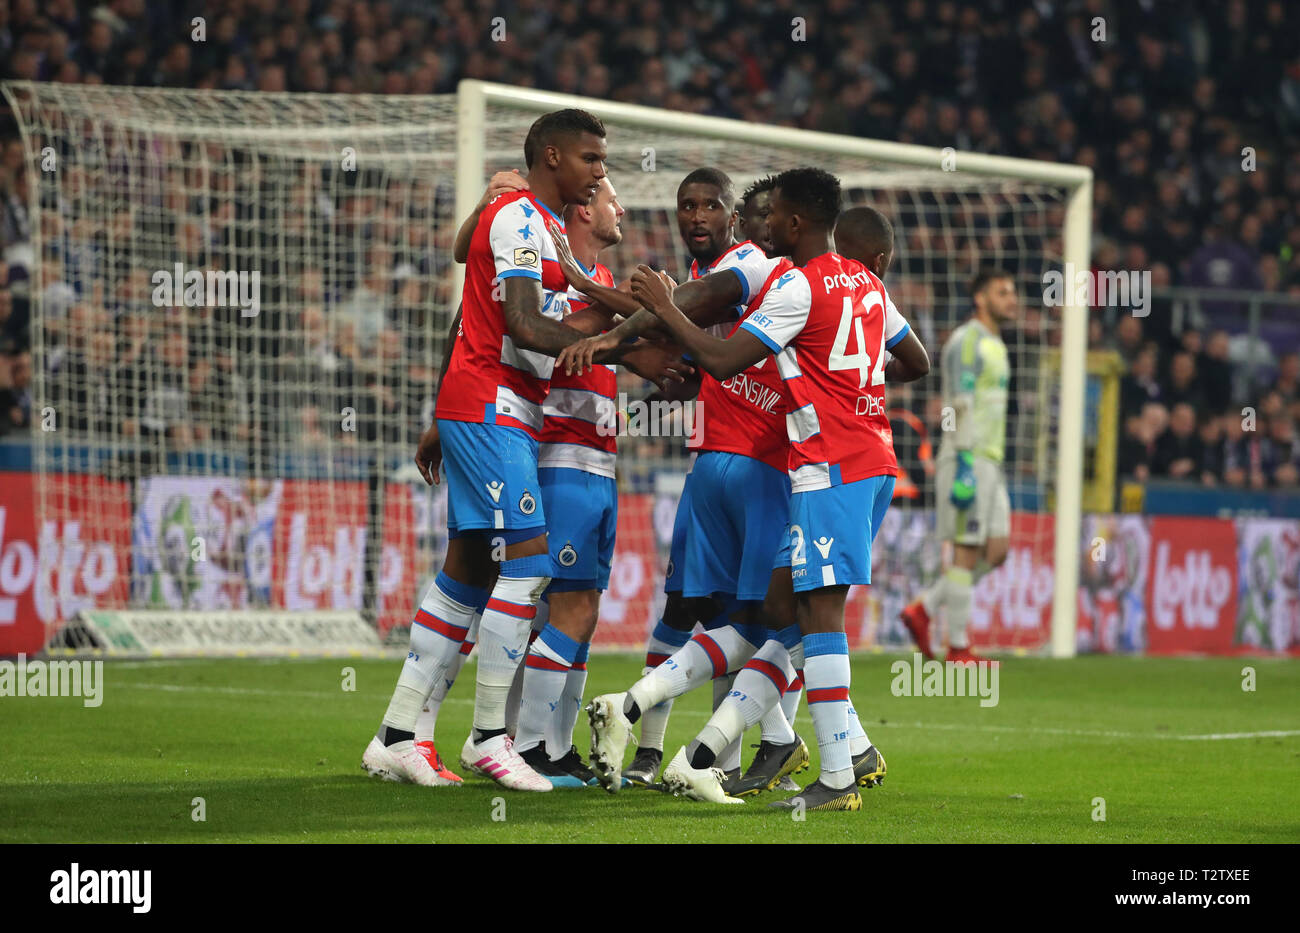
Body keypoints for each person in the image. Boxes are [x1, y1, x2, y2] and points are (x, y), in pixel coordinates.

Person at [900, 269, 1018, 664]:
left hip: (991, 459)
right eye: (1002, 292)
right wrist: (961, 455)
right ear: (980, 298)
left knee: (997, 550)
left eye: (1013, 292)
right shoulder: (967, 342)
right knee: (967, 551)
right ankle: (958, 647)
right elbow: (953, 404)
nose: (1011, 299)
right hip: (969, 457)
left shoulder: (995, 343)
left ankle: (924, 609)